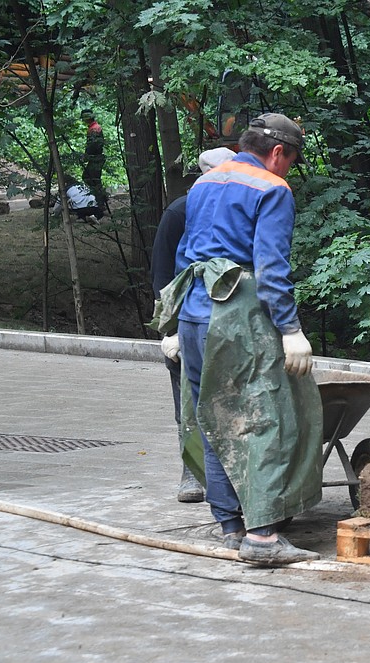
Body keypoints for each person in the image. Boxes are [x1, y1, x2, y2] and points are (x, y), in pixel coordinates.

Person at [151, 113, 322, 565]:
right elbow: (271, 269)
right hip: (237, 315)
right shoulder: (271, 188)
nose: (288, 169)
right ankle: (263, 538)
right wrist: (290, 330)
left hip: (192, 313)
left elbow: (186, 254)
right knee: (261, 417)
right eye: (291, 160)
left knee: (211, 417)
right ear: (278, 152)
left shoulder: (205, 184)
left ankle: (231, 525)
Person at [152, 147, 237, 504]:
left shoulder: (236, 210)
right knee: (187, 398)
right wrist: (167, 329)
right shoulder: (179, 212)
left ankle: (230, 474)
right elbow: (161, 273)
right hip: (187, 317)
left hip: (228, 317)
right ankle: (190, 472)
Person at [80, 109, 107, 211]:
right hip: (95, 157)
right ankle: (101, 199)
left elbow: (93, 145)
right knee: (91, 178)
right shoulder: (93, 127)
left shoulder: (94, 129)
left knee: (92, 179)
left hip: (96, 158)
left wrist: (86, 155)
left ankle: (100, 203)